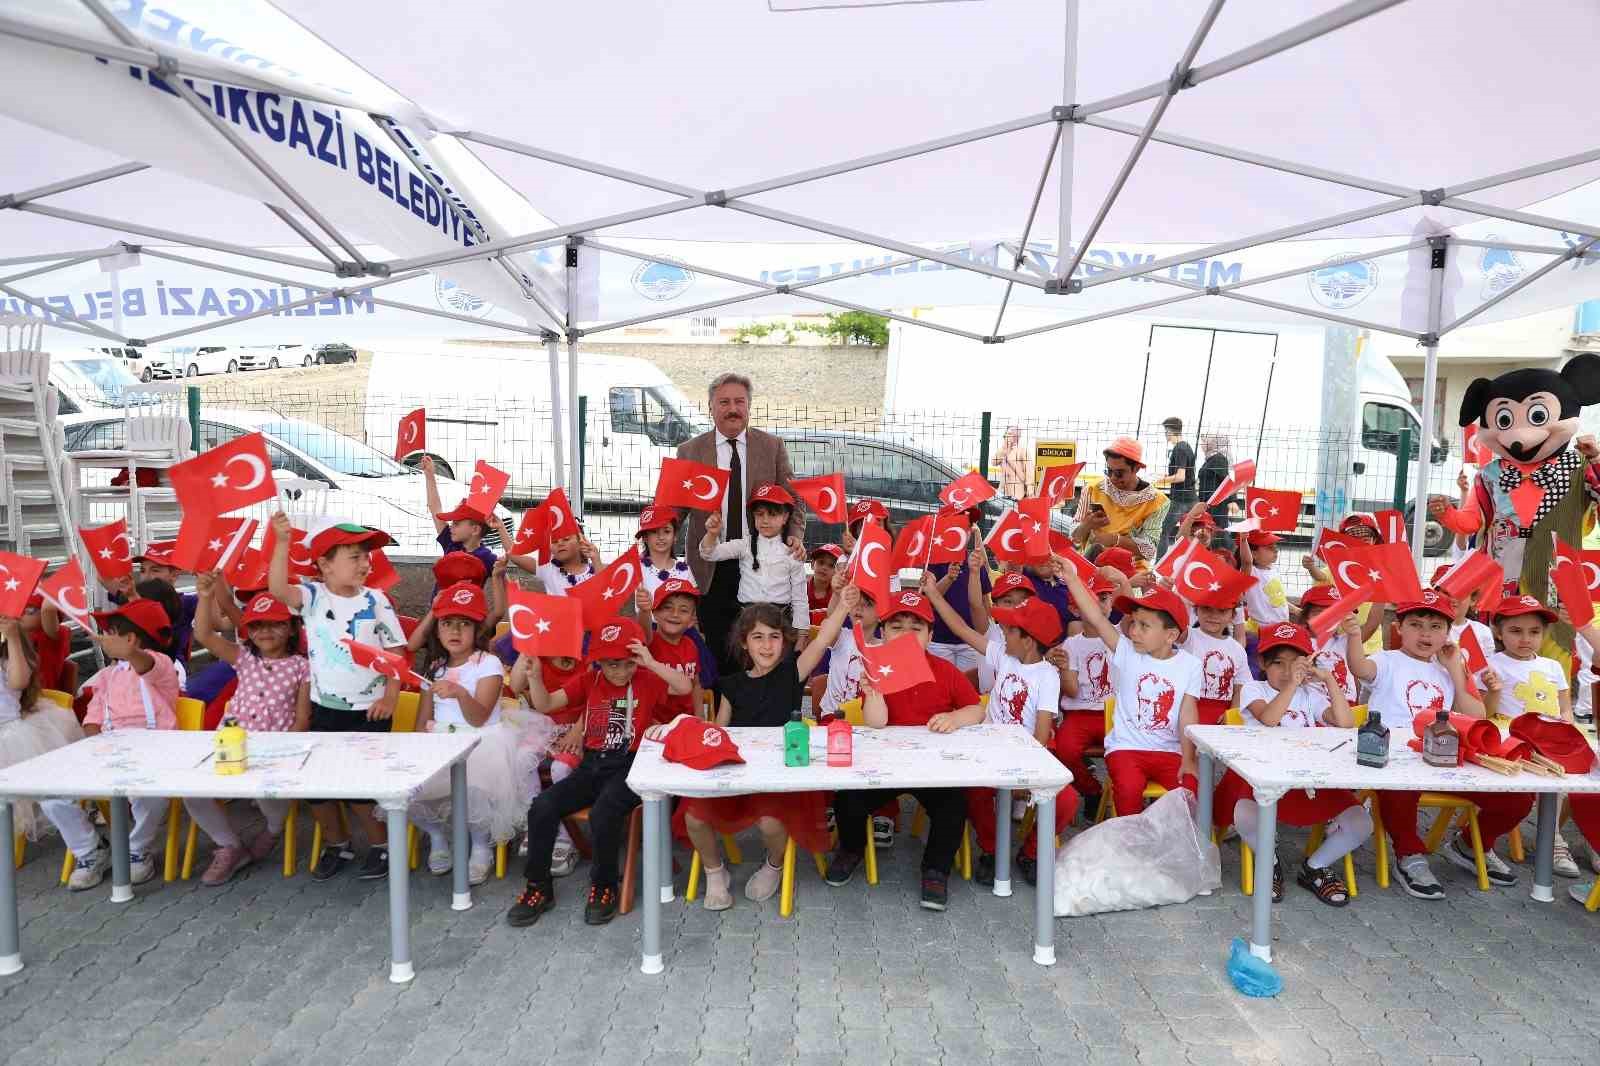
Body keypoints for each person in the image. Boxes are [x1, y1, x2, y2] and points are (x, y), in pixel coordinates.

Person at [1344, 590, 1533, 899]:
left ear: (1448, 632)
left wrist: (1456, 669)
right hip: (1394, 758)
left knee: (1517, 798)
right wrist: (1354, 635)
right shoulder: (1387, 660)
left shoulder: (1448, 668)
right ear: (1399, 628)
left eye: (1436, 627)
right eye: (1416, 625)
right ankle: (1409, 855)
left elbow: (1477, 715)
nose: (1426, 634)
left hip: (1441, 757)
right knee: (1397, 789)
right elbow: (1359, 668)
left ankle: (1470, 846)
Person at [508, 618, 693, 928]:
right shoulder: (589, 680)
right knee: (542, 806)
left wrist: (649, 661)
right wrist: (536, 679)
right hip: (593, 763)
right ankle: (538, 886)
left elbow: (683, 686)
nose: (619, 672)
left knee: (604, 813)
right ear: (599, 662)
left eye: (625, 663)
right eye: (610, 665)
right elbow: (548, 703)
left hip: (631, 763)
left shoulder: (646, 679)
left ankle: (604, 884)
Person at [673, 593, 850, 910]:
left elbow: (823, 638)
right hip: (736, 774)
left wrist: (843, 604)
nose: (767, 645)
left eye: (774, 637)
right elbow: (718, 734)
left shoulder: (791, 675)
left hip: (777, 779)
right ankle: (715, 873)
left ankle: (773, 865)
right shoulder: (730, 685)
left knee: (770, 822)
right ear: (744, 643)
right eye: (758, 637)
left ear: (784, 642)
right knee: (694, 817)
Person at [823, 591, 986, 911]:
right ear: (883, 632)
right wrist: (875, 694)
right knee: (847, 799)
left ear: (930, 635)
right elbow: (876, 723)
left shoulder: (945, 671)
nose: (908, 635)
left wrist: (954, 718)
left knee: (954, 805)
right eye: (897, 627)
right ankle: (852, 849)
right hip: (885, 764)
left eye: (917, 628)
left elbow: (976, 710)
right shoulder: (875, 668)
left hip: (932, 768)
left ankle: (936, 869)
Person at [267, 513, 406, 883]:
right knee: (319, 786)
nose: (365, 563)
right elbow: (279, 589)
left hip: (370, 712)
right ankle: (336, 843)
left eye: (366, 556)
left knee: (363, 789)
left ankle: (381, 847)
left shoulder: (377, 601)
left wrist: (391, 697)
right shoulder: (313, 596)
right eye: (355, 557)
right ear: (325, 565)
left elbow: (396, 653)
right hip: (325, 707)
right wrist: (282, 543)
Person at [922, 580, 1074, 886]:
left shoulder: (1048, 676)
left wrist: (1026, 779)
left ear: (1028, 641)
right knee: (975, 792)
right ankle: (992, 850)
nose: (1002, 633)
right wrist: (933, 593)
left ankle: (1030, 853)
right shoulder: (1003, 656)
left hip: (1026, 755)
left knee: (1068, 800)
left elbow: (1042, 736)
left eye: (1009, 630)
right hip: (988, 751)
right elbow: (962, 629)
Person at [1212, 623, 1371, 906]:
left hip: (1309, 780)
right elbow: (1270, 718)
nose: (1286, 672)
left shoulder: (1311, 694)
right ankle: (1269, 862)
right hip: (1266, 780)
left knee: (1361, 822)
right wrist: (1294, 684)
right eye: (1278, 664)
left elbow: (1346, 725)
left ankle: (1315, 867)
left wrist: (1330, 681)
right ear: (1262, 663)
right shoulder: (1254, 689)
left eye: (1295, 664)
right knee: (1244, 813)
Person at [40, 600, 178, 889]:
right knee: (48, 790)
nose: (103, 637)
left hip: (156, 752)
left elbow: (145, 664)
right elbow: (93, 718)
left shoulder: (161, 664)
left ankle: (138, 850)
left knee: (151, 795)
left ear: (131, 639)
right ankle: (89, 850)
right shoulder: (107, 675)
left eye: (111, 632)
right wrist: (92, 749)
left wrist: (130, 652)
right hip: (108, 750)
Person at [678, 372, 805, 674]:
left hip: (761, 566)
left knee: (764, 654)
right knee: (721, 654)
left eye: (739, 401)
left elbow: (795, 500)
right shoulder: (690, 451)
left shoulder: (772, 447)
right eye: (724, 402)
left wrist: (795, 536)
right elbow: (672, 508)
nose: (732, 408)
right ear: (711, 407)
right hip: (712, 567)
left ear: (749, 406)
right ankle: (723, 719)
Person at [183, 582, 309, 885]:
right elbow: (203, 635)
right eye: (257, 626)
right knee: (192, 792)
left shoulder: (302, 667)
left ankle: (273, 830)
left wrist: (285, 755)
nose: (265, 632)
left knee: (267, 797)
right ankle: (229, 845)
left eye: (275, 625)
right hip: (230, 743)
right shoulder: (243, 658)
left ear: (292, 628)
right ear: (248, 631)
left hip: (272, 749)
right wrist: (204, 596)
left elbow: (302, 718)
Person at [1060, 564, 1202, 819]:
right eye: (1133, 623)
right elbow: (1096, 618)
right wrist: (1072, 578)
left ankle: (1169, 846)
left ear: (1170, 636)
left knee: (1188, 794)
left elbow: (1187, 713)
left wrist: (1189, 758)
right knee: (1127, 789)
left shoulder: (1190, 665)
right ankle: (1132, 848)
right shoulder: (1127, 652)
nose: (1133, 630)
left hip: (1170, 751)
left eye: (1144, 626)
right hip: (1126, 749)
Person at [409, 582, 519, 887]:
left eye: (464, 624)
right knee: (409, 788)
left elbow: (480, 716)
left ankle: (480, 846)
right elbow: (422, 721)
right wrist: (419, 752)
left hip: (481, 741)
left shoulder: (489, 664)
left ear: (477, 630)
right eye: (447, 623)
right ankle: (437, 837)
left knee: (475, 787)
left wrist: (458, 693)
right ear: (438, 630)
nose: (454, 631)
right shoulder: (434, 668)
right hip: (441, 740)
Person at [0, 615, 84, 847]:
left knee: (49, 789)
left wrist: (14, 638)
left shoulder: (8, 653)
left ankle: (87, 847)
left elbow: (18, 682)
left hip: (11, 736)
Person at [698, 483, 810, 651]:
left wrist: (801, 637)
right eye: (760, 514)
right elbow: (709, 553)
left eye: (772, 515)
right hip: (747, 622)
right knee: (747, 669)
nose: (765, 520)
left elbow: (800, 598)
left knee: (776, 670)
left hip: (779, 623)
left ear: (785, 517)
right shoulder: (744, 545)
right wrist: (712, 534)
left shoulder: (792, 552)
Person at [1048, 575, 1117, 809]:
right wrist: (1065, 670)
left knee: (1128, 751)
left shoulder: (1123, 637)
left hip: (1117, 714)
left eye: (1105, 598)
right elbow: (1073, 691)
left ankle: (1120, 794)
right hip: (1080, 715)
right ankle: (1093, 791)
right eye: (1091, 599)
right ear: (1075, 609)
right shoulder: (1072, 645)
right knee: (1064, 750)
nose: (1099, 604)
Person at [1073, 437, 1169, 567]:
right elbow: (1073, 540)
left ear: (1136, 468)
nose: (1112, 478)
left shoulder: (1157, 501)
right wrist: (1086, 525)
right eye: (1109, 471)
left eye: (1119, 473)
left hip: (1132, 570)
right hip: (1093, 564)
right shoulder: (1092, 489)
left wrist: (1116, 540)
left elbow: (1149, 551)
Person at [421, 455, 500, 583]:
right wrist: (430, 476)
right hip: (441, 603)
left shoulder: (486, 557)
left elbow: (504, 580)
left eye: (456, 524)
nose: (451, 527)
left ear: (475, 530)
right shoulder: (451, 544)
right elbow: (435, 508)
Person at [1154, 418, 1196, 557]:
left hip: (1181, 500)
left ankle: (1159, 564)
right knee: (1188, 533)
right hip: (1190, 498)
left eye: (1165, 431)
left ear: (1169, 431)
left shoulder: (1179, 449)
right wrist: (1165, 475)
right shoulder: (1187, 447)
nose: (1165, 435)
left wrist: (1161, 481)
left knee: (1163, 531)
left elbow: (1180, 476)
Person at [1195, 434, 1235, 531]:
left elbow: (1226, 481)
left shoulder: (1218, 459)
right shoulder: (1210, 459)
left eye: (1204, 442)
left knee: (1216, 533)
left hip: (1216, 506)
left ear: (1213, 443)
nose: (1202, 444)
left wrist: (1232, 501)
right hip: (1208, 504)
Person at [998, 425, 1030, 499]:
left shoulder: (1022, 453)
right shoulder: (1003, 453)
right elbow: (1004, 475)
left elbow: (1024, 478)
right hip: (1003, 492)